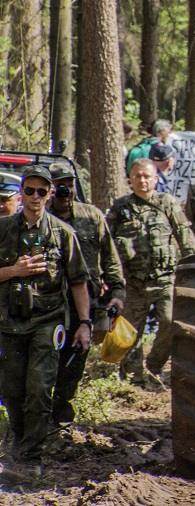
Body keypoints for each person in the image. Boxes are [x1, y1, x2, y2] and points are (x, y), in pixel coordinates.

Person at [0, 166, 90, 466]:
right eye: (29, 190)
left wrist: (85, 324)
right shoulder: (4, 229)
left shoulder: (63, 234)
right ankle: (19, 439)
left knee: (39, 389)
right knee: (12, 389)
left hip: (48, 321)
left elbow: (78, 282)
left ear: (50, 194)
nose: (35, 197)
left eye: (42, 191)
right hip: (10, 322)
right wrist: (15, 271)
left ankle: (31, 456)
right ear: (21, 193)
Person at [47, 163, 126, 426]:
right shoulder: (41, 219)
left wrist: (117, 291)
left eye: (69, 184)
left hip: (85, 301)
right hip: (49, 301)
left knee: (75, 359)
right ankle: (40, 416)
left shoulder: (92, 217)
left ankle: (61, 415)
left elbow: (110, 256)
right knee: (46, 358)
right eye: (59, 185)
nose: (65, 191)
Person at [107, 159, 195, 386]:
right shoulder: (120, 208)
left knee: (169, 321)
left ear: (156, 179)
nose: (142, 180)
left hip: (165, 279)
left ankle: (154, 365)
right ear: (130, 179)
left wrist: (192, 271)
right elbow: (105, 244)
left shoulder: (167, 203)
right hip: (134, 282)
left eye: (147, 176)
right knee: (130, 332)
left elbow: (186, 239)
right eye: (137, 176)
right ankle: (133, 375)